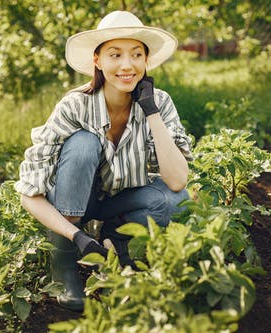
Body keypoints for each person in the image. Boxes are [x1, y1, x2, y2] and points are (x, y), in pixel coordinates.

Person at [14, 11, 193, 311]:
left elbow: (177, 181)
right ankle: (65, 263)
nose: (127, 64)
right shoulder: (75, 106)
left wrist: (150, 111)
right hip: (73, 205)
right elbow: (28, 194)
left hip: (116, 202)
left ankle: (117, 245)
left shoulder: (158, 102)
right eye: (115, 54)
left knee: (176, 200)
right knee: (83, 143)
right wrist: (76, 235)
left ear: (146, 60)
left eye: (137, 54)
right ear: (97, 60)